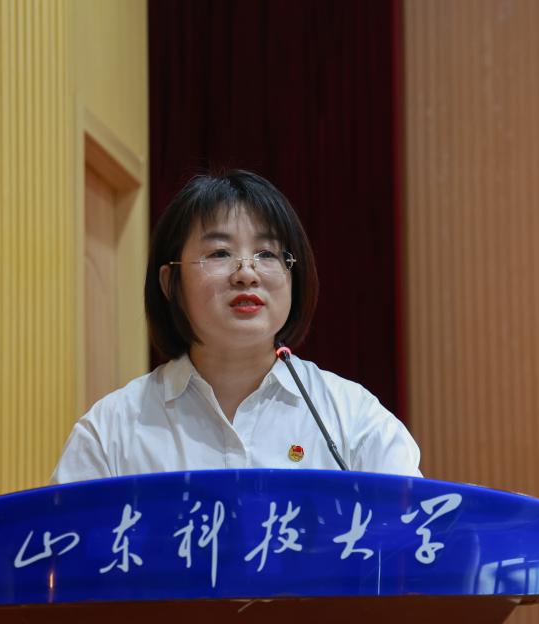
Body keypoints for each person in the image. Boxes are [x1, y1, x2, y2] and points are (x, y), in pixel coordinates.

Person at [51, 170, 422, 484]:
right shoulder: (111, 431)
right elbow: (65, 544)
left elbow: (412, 535)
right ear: (170, 283)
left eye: (267, 254)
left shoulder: (353, 418)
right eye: (219, 253)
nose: (247, 273)